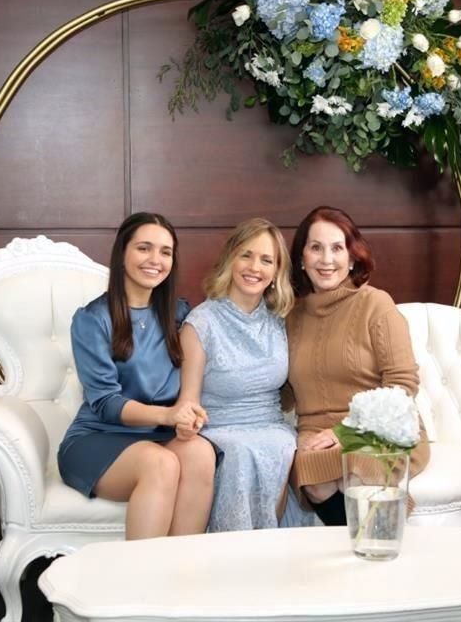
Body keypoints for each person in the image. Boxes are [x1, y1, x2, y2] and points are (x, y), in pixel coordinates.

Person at [58, 212, 216, 539]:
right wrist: (170, 415)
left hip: (157, 435)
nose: (155, 260)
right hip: (98, 437)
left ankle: (181, 574)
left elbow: (195, 374)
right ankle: (139, 582)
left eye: (165, 251)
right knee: (160, 464)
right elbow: (104, 402)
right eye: (144, 248)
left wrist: (187, 413)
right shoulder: (92, 319)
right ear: (123, 253)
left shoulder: (179, 314)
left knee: (201, 452)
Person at [286, 205, 428, 525]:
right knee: (314, 473)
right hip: (316, 432)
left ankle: (378, 549)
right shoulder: (290, 315)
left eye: (337, 248)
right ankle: (360, 552)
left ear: (352, 258)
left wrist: (346, 431)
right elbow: (281, 389)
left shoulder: (375, 304)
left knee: (360, 465)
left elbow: (403, 385)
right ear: (301, 258)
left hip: (379, 428)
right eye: (316, 248)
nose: (326, 259)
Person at [179, 218, 303, 531]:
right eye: (246, 255)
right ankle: (232, 558)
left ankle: (267, 557)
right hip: (219, 428)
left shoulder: (281, 320)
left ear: (276, 272)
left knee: (280, 444)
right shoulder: (201, 323)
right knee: (239, 453)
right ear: (230, 259)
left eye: (266, 260)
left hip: (271, 426)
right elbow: (188, 401)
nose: (254, 267)